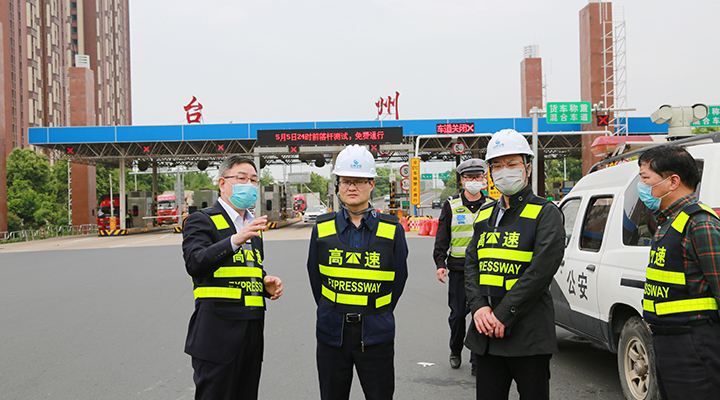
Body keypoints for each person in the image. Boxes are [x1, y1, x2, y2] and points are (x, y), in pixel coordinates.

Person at [464, 129, 564, 400]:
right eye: (497, 166)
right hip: (486, 332)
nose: (503, 171)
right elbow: (471, 264)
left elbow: (540, 272)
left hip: (527, 334)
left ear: (527, 167)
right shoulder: (485, 213)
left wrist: (503, 315)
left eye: (511, 164)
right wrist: (478, 307)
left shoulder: (546, 213)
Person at [307, 144, 408, 400]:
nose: (352, 187)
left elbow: (399, 278)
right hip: (332, 333)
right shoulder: (322, 228)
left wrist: (375, 308)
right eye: (346, 181)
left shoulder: (392, 229)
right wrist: (335, 307)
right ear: (338, 185)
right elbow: (315, 278)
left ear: (372, 184)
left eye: (359, 181)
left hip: (376, 333)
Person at [182, 155, 283, 400]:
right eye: (241, 178)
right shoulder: (201, 220)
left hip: (251, 333)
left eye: (254, 180)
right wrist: (235, 239)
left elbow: (244, 269)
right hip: (217, 335)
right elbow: (196, 263)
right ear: (222, 183)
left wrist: (264, 283)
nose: (249, 184)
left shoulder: (253, 226)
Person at [638, 145, 720, 400]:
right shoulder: (667, 222)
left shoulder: (700, 222)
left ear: (673, 181)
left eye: (645, 178)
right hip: (669, 342)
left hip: (695, 344)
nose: (641, 186)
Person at [433, 158, 490, 374]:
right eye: (469, 177)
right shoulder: (451, 205)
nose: (473, 181)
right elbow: (442, 236)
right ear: (462, 180)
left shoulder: (492, 205)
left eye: (477, 177)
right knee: (457, 315)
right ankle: (455, 350)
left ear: (484, 179)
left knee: (480, 314)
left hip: (485, 271)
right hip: (459, 270)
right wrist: (440, 263)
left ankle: (477, 359)